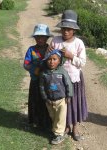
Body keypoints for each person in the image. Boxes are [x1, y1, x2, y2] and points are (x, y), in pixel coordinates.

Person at [48, 10, 88, 141]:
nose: (66, 31)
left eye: (69, 29)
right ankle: (65, 127)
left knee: (74, 103)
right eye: (64, 28)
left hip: (74, 79)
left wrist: (70, 56)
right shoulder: (55, 40)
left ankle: (75, 127)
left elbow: (82, 62)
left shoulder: (78, 43)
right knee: (62, 104)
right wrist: (48, 52)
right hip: (59, 80)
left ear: (74, 30)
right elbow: (49, 59)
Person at [39, 50, 73, 144]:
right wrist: (45, 98)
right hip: (49, 101)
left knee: (61, 117)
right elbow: (41, 86)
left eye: (54, 59)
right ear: (46, 61)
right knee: (53, 117)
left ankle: (59, 134)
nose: (52, 61)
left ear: (59, 60)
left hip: (61, 100)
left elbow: (68, 84)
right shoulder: (44, 73)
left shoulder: (62, 72)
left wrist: (69, 96)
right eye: (49, 59)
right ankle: (55, 132)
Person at [23, 24, 53, 129]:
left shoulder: (50, 49)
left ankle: (47, 122)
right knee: (35, 100)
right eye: (38, 37)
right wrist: (33, 69)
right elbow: (26, 64)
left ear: (47, 38)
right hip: (35, 80)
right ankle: (34, 121)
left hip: (47, 81)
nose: (40, 39)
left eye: (43, 37)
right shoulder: (31, 50)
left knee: (46, 101)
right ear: (35, 38)